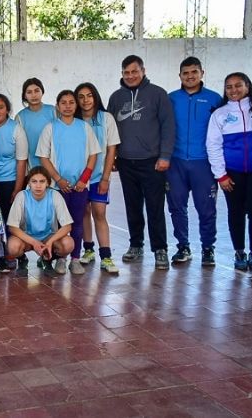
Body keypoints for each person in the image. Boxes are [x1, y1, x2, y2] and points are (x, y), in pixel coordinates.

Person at [107, 55, 175, 269]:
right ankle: (136, 244)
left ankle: (160, 249)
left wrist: (164, 156)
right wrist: (114, 156)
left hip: (152, 163)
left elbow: (168, 126)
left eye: (134, 71)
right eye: (126, 72)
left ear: (143, 71)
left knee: (155, 207)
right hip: (127, 162)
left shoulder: (158, 94)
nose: (130, 76)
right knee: (132, 206)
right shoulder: (116, 97)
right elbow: (110, 130)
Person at [37, 90, 101, 275]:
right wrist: (58, 179)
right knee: (58, 223)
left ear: (76, 105)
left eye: (71, 102)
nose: (67, 105)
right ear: (57, 106)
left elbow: (93, 155)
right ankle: (60, 259)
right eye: (63, 102)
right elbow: (43, 157)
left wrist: (83, 179)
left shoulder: (84, 127)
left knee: (78, 222)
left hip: (80, 186)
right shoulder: (50, 127)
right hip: (58, 187)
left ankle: (75, 258)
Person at [206, 73, 252, 272]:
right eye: (229, 87)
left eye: (238, 85)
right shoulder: (220, 115)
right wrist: (221, 175)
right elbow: (213, 146)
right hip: (232, 174)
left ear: (247, 86)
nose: (233, 90)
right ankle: (239, 252)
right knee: (236, 213)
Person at [166, 57, 222, 266]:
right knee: (176, 207)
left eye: (194, 72)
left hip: (203, 164)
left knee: (206, 208)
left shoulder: (215, 99)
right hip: (176, 162)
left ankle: (208, 248)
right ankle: (183, 246)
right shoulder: (171, 99)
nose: (190, 76)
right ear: (179, 75)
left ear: (201, 73)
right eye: (185, 73)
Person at [75, 82, 120, 274]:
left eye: (89, 95)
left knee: (99, 213)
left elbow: (111, 150)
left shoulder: (106, 118)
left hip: (98, 177)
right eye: (81, 96)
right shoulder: (73, 121)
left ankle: (107, 256)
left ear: (96, 97)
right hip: (80, 178)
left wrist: (105, 178)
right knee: (84, 212)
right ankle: (88, 250)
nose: (86, 100)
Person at [5, 167, 74, 277]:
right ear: (29, 183)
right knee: (12, 246)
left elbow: (67, 226)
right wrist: (34, 242)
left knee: (68, 244)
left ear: (48, 183)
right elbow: (12, 227)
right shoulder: (22, 196)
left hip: (48, 237)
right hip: (27, 238)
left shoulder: (55, 195)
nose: (38, 185)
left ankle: (47, 259)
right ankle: (22, 260)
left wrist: (50, 242)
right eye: (34, 181)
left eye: (42, 181)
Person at [0, 93, 27, 223]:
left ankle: (11, 243)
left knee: (10, 220)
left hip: (11, 181)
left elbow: (21, 162)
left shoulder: (16, 129)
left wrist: (17, 189)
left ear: (7, 110)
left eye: (1, 107)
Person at [15, 78, 55, 169]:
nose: (33, 95)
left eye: (37, 91)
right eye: (29, 92)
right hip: (32, 167)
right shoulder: (20, 117)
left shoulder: (53, 111)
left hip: (54, 164)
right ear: (24, 95)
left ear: (42, 92)